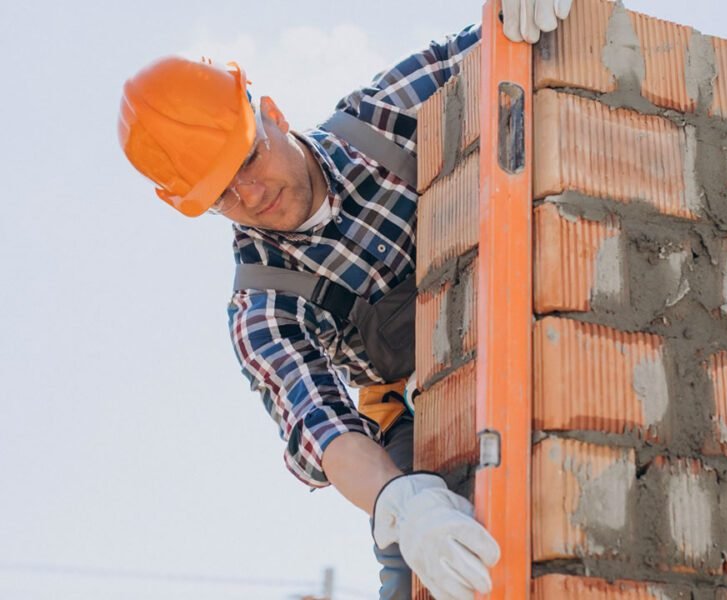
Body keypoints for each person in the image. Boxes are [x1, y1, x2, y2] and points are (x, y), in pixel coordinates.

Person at [117, 2, 572, 599]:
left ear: (272, 115)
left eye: (248, 158)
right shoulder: (264, 307)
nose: (252, 196)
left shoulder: (387, 114)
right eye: (222, 195)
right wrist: (404, 508)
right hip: (416, 413)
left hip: (528, 314)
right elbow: (326, 430)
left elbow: (509, 33)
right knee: (414, 568)